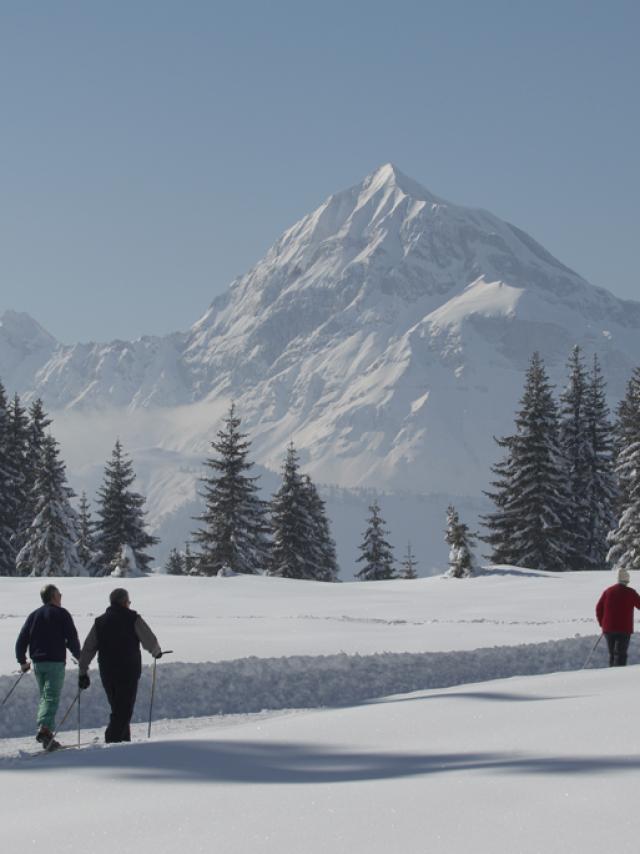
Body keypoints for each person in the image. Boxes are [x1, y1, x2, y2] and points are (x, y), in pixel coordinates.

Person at [78, 587, 163, 743]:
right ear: (124, 602)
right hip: (128, 671)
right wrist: (156, 651)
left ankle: (124, 743)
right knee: (123, 710)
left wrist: (83, 670)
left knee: (118, 707)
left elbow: (88, 648)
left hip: (107, 672)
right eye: (128, 601)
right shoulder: (132, 618)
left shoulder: (100, 622)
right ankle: (112, 741)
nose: (129, 604)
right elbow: (148, 638)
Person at [15, 584, 82, 750]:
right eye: (59, 594)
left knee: (45, 696)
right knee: (51, 696)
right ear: (53, 596)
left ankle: (46, 732)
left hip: (38, 663)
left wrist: (22, 661)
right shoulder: (62, 614)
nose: (61, 596)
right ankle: (44, 730)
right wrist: (81, 657)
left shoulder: (34, 615)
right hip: (55, 662)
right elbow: (72, 637)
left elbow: (21, 639)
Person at [595, 567, 640, 666]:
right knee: (620, 654)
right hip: (623, 628)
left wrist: (602, 623)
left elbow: (598, 608)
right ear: (627, 580)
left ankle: (611, 674)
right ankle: (618, 676)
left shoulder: (608, 591)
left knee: (612, 654)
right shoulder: (631, 592)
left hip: (608, 628)